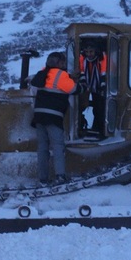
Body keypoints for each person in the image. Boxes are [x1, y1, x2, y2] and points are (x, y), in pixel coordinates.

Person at [30, 52, 84, 185]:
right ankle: (60, 176)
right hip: (53, 116)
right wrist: (81, 81)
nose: (64, 64)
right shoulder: (61, 75)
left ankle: (43, 178)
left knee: (42, 147)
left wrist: (71, 76)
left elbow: (54, 83)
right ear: (59, 63)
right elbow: (75, 90)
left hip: (39, 116)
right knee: (58, 147)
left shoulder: (43, 73)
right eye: (63, 62)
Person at [78, 44, 107, 137]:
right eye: (87, 52)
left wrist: (102, 83)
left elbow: (104, 72)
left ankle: (99, 128)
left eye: (91, 52)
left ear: (96, 51)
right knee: (81, 105)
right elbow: (81, 70)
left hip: (98, 87)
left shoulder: (102, 59)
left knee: (99, 108)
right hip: (85, 86)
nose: (89, 54)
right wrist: (82, 81)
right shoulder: (82, 59)